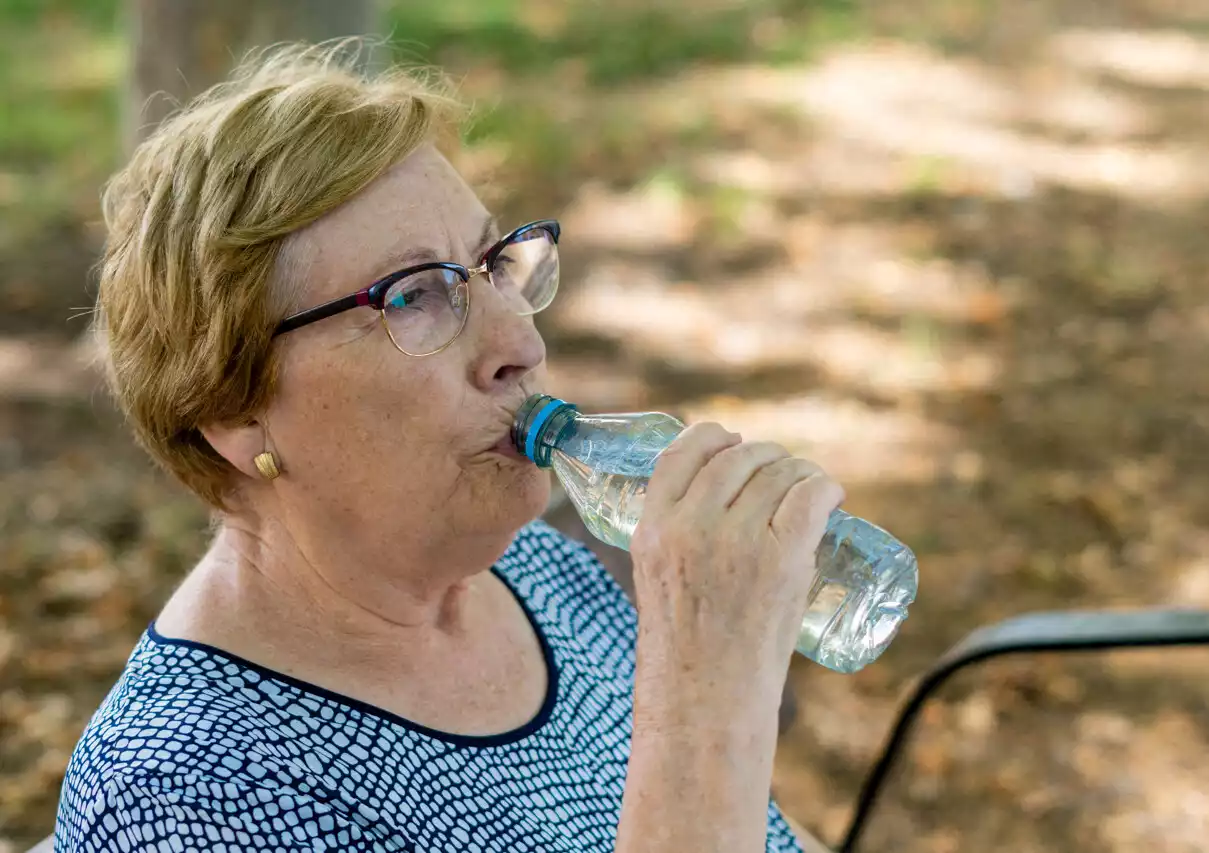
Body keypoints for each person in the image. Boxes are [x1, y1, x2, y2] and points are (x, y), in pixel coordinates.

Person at [55, 42, 844, 853]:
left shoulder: (539, 573)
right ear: (235, 408)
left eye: (491, 265)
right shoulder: (194, 791)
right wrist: (707, 700)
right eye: (416, 296)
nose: (520, 341)